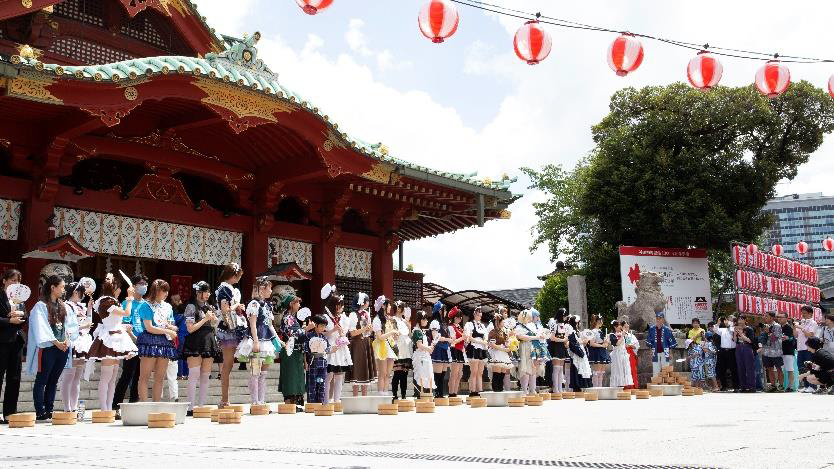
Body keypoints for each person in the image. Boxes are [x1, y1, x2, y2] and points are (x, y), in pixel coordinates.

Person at [87, 275, 138, 410]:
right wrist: (130, 297)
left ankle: (110, 408)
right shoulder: (106, 301)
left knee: (113, 377)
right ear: (112, 288)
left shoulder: (112, 301)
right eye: (118, 287)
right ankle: (104, 409)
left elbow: (118, 318)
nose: (120, 290)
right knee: (106, 377)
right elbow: (127, 313)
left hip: (117, 337)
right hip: (108, 339)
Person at [26, 275, 72, 421]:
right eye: (62, 287)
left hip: (62, 347)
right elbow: (41, 327)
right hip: (48, 348)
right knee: (42, 379)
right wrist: (56, 342)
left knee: (54, 380)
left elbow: (69, 326)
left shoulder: (63, 305)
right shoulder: (41, 305)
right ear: (53, 287)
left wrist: (67, 340)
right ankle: (40, 410)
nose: (64, 290)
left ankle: (49, 409)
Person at [235, 277, 279, 406]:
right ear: (262, 289)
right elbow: (253, 324)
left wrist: (277, 339)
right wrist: (255, 342)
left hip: (266, 339)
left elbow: (270, 325)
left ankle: (262, 400)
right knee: (255, 372)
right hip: (257, 339)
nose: (271, 291)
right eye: (269, 288)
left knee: (264, 373)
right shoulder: (254, 304)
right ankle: (254, 401)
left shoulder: (268, 305)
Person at [136, 280, 178, 402]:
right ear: (157, 290)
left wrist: (172, 328)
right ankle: (144, 405)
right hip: (149, 340)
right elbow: (149, 327)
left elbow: (172, 324)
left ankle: (156, 405)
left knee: (160, 377)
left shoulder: (168, 306)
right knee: (145, 376)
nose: (166, 293)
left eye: (167, 291)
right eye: (164, 290)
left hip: (164, 342)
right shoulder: (145, 305)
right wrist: (168, 331)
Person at [182, 281, 220, 415]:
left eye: (209, 291)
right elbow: (190, 328)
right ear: (198, 292)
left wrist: (214, 320)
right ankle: (190, 407)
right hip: (195, 341)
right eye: (205, 291)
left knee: (205, 375)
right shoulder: (191, 307)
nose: (208, 294)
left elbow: (215, 324)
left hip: (209, 340)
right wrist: (205, 319)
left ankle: (201, 405)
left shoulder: (210, 307)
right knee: (194, 374)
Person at [112, 274, 147, 415]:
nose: (143, 286)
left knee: (140, 374)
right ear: (133, 286)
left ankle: (134, 402)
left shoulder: (146, 304)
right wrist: (132, 337)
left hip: (144, 341)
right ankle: (116, 404)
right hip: (130, 341)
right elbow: (124, 323)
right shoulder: (126, 303)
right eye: (140, 283)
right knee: (128, 373)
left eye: (145, 283)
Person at [215, 263, 246, 407]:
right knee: (227, 364)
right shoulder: (225, 288)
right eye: (238, 276)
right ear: (233, 276)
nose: (239, 279)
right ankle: (224, 399)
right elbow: (225, 309)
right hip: (228, 328)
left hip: (230, 327)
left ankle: (225, 399)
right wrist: (237, 305)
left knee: (229, 364)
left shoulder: (226, 288)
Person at [59, 280, 93, 412]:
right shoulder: (66, 306)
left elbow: (88, 323)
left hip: (83, 341)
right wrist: (82, 326)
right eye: (81, 292)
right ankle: (67, 408)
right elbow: (66, 326)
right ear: (74, 292)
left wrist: (89, 309)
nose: (82, 295)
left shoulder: (80, 306)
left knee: (77, 377)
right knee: (68, 376)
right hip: (73, 341)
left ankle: (74, 407)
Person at [0, 268, 26, 424]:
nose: (16, 283)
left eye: (18, 281)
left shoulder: (19, 299)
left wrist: (20, 316)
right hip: (1, 342)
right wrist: (8, 319)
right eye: (13, 280)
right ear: (4, 281)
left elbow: (26, 317)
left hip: (16, 342)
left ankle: (10, 413)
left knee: (14, 378)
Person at [321, 284, 351, 404]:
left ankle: (337, 400)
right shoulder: (325, 317)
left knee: (340, 375)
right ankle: (326, 401)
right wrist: (333, 330)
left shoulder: (343, 318)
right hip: (330, 347)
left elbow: (345, 332)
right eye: (340, 305)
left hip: (341, 348)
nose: (341, 308)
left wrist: (342, 332)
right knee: (328, 376)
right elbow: (322, 334)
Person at [277, 289, 306, 409]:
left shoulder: (292, 318)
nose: (299, 305)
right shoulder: (287, 317)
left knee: (296, 376)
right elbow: (293, 334)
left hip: (296, 351)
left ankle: (294, 404)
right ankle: (290, 404)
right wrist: (306, 329)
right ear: (291, 304)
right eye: (297, 303)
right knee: (291, 376)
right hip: (290, 350)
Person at [346, 292, 376, 397]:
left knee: (366, 371)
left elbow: (368, 332)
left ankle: (365, 397)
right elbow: (352, 333)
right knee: (357, 370)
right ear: (363, 302)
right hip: (357, 344)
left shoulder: (367, 314)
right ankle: (355, 398)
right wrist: (364, 329)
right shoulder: (353, 314)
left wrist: (370, 329)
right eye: (367, 301)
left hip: (366, 343)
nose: (368, 303)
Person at [371, 296, 396, 395]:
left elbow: (389, 334)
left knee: (388, 373)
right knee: (382, 373)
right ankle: (381, 394)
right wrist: (392, 332)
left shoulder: (388, 319)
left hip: (390, 346)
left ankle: (386, 392)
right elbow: (380, 337)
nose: (390, 307)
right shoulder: (377, 320)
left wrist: (395, 334)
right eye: (389, 305)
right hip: (381, 347)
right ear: (383, 306)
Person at [465, 306, 490, 397]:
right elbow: (469, 337)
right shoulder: (469, 324)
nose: (479, 316)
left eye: (480, 315)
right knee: (474, 371)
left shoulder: (483, 325)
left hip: (482, 348)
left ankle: (479, 390)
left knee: (480, 372)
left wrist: (485, 341)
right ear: (474, 314)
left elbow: (486, 336)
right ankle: (472, 390)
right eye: (478, 314)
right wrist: (481, 341)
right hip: (474, 347)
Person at [305, 315, 330, 404]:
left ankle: (320, 402)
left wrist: (334, 349)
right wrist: (305, 362)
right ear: (316, 325)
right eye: (321, 326)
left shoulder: (324, 337)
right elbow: (306, 350)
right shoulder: (309, 336)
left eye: (324, 326)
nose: (323, 328)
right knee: (312, 383)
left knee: (321, 382)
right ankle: (312, 403)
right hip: (313, 362)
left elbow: (327, 349)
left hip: (323, 363)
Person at [429, 302, 452, 398]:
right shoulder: (435, 322)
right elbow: (435, 337)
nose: (446, 311)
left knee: (443, 373)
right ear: (439, 311)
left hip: (444, 349)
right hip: (438, 349)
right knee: (437, 374)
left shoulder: (443, 323)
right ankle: (436, 393)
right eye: (444, 309)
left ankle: (440, 393)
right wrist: (447, 339)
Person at [390, 300, 412, 400]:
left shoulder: (404, 321)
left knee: (404, 374)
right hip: (398, 349)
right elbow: (394, 334)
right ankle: (394, 395)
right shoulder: (392, 319)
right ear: (398, 309)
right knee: (397, 373)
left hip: (406, 349)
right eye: (403, 307)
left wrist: (409, 326)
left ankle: (403, 395)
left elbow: (409, 334)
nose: (404, 310)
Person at [488, 313, 513, 392]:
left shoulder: (504, 332)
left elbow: (506, 342)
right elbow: (492, 344)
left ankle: (500, 390)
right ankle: (496, 391)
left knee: (502, 373)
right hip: (496, 352)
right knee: (497, 373)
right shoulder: (493, 332)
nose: (504, 323)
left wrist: (509, 345)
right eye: (503, 321)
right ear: (498, 322)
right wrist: (503, 349)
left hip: (503, 353)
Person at [411, 311, 435, 395]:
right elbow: (419, 345)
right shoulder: (416, 331)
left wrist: (429, 348)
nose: (426, 321)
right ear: (420, 320)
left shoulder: (421, 331)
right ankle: (420, 394)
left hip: (425, 356)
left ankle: (427, 394)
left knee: (427, 374)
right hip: (420, 356)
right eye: (424, 319)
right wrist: (428, 348)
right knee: (420, 375)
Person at [797, 306, 819, 392]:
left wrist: (801, 328)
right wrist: (794, 326)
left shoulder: (813, 323)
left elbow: (810, 335)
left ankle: (812, 386)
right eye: (802, 313)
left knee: (810, 367)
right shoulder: (802, 322)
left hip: (808, 348)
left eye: (805, 313)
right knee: (801, 367)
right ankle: (806, 386)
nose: (803, 315)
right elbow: (796, 335)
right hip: (800, 348)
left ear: (810, 314)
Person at [714, 316, 739, 392]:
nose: (728, 321)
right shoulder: (723, 329)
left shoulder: (735, 329)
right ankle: (724, 386)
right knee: (721, 369)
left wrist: (733, 328)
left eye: (730, 320)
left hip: (732, 351)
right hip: (722, 351)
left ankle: (736, 386)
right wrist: (718, 323)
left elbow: (735, 339)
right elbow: (715, 330)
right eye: (727, 320)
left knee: (733, 369)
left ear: (734, 322)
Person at [647, 312, 677, 376]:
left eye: (660, 318)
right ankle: (656, 384)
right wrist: (650, 353)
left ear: (663, 319)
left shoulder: (667, 329)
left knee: (666, 369)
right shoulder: (652, 329)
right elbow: (649, 342)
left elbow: (671, 343)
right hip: (655, 351)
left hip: (665, 351)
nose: (658, 320)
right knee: (655, 370)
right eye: (657, 318)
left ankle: (666, 384)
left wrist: (670, 353)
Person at [547, 308, 569, 394]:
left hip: (562, 347)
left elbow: (566, 337)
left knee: (560, 369)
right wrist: (562, 340)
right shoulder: (554, 325)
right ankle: (555, 388)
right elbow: (552, 337)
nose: (566, 317)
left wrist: (566, 341)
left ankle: (560, 388)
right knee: (556, 368)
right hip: (555, 347)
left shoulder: (565, 325)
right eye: (564, 316)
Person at [566, 315, 591, 391]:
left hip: (581, 350)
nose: (580, 324)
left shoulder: (578, 332)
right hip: (576, 353)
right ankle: (577, 387)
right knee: (577, 368)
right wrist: (581, 345)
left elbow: (580, 342)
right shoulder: (572, 332)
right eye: (579, 322)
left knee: (583, 368)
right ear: (576, 323)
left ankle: (583, 385)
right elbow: (572, 343)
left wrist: (585, 342)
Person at [761, 311, 784, 392]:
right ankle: (773, 385)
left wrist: (768, 332)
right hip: (766, 351)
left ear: (772, 317)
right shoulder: (765, 326)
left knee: (778, 369)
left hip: (776, 351)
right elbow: (763, 338)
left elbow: (774, 339)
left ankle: (781, 386)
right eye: (764, 316)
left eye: (766, 316)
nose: (765, 317)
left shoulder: (777, 326)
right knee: (769, 369)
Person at [734, 316, 756, 393]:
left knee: (749, 367)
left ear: (745, 320)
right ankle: (743, 386)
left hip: (747, 347)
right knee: (740, 367)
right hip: (739, 347)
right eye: (738, 319)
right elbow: (735, 340)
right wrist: (735, 333)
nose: (739, 321)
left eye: (741, 319)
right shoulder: (737, 328)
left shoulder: (749, 329)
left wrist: (741, 334)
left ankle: (751, 387)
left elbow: (750, 341)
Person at [586, 314, 610, 387]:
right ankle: (596, 388)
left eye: (602, 321)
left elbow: (604, 342)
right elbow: (591, 343)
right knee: (597, 371)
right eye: (600, 320)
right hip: (596, 351)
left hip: (602, 351)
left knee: (602, 371)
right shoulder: (592, 331)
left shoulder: (600, 331)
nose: (601, 322)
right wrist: (602, 345)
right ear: (596, 321)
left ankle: (600, 388)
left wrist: (606, 342)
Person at [447, 307, 466, 397]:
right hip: (454, 350)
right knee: (454, 373)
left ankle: (455, 392)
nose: (459, 319)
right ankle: (451, 393)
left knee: (459, 374)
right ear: (454, 317)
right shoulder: (451, 327)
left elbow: (462, 340)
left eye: (460, 317)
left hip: (460, 351)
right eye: (458, 317)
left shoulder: (460, 328)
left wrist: (465, 340)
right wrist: (462, 338)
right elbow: (452, 341)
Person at [608, 320, 633, 388]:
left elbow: (626, 343)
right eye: (618, 325)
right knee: (617, 369)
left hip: (623, 353)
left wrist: (626, 338)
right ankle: (617, 385)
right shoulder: (612, 335)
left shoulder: (622, 334)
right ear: (614, 327)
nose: (620, 327)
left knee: (624, 369)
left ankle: (623, 385)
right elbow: (617, 343)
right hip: (617, 354)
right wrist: (622, 336)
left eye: (620, 325)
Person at [777, 313, 797, 392]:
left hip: (788, 351)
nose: (779, 318)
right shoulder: (777, 327)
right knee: (779, 369)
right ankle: (780, 385)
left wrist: (787, 338)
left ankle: (790, 386)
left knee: (789, 369)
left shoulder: (789, 327)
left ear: (786, 318)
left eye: (781, 317)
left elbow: (791, 338)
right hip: (778, 351)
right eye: (778, 317)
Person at [622, 318, 639, 390]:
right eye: (625, 327)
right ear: (622, 327)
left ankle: (633, 385)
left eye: (627, 327)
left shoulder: (631, 335)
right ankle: (625, 385)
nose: (626, 328)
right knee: (624, 369)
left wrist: (631, 346)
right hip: (623, 353)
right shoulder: (620, 335)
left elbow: (636, 345)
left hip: (631, 353)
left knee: (632, 369)